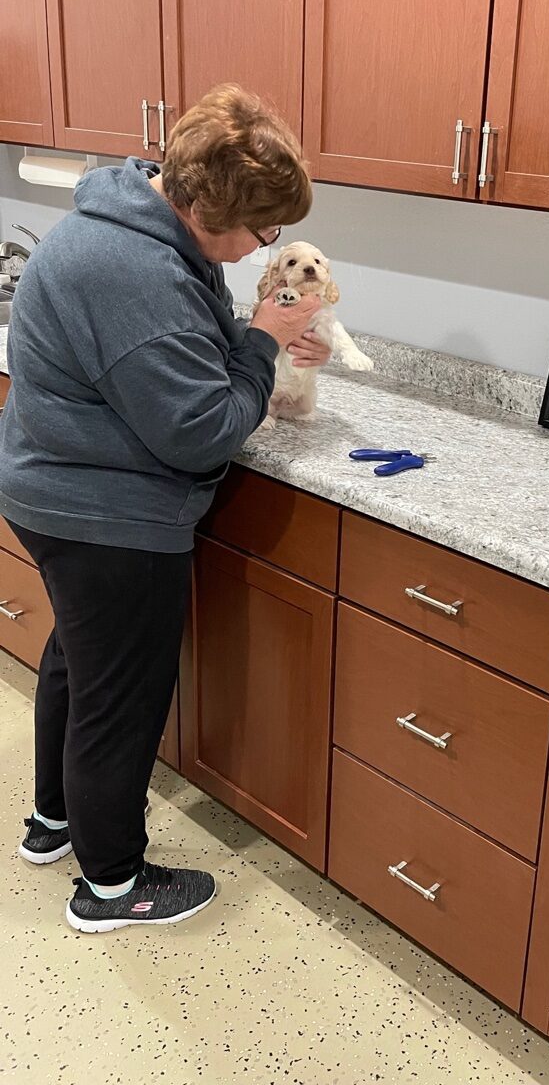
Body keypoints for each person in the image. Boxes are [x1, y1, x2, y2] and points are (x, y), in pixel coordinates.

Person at [0, 84, 328, 932]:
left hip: (55, 489)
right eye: (260, 232)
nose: (265, 247)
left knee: (80, 662)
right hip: (107, 514)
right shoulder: (135, 271)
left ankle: (54, 823)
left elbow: (189, 339)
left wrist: (263, 333)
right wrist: (262, 342)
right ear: (209, 205)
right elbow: (203, 431)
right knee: (121, 696)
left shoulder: (130, 223)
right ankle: (112, 885)